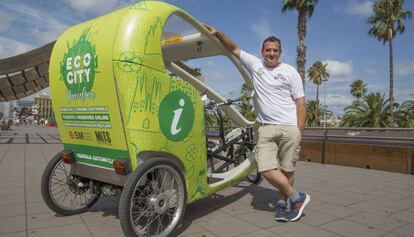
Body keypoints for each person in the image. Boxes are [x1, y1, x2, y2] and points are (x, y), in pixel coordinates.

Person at [204, 24, 310, 222]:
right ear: (262, 52)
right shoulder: (255, 64)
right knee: (266, 169)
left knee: (287, 170)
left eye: (275, 50)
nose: (271, 53)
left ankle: (282, 204)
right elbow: (233, 48)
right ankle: (297, 197)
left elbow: (301, 103)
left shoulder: (290, 72)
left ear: (280, 52)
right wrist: (218, 33)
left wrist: (299, 132)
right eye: (268, 50)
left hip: (289, 128)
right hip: (266, 128)